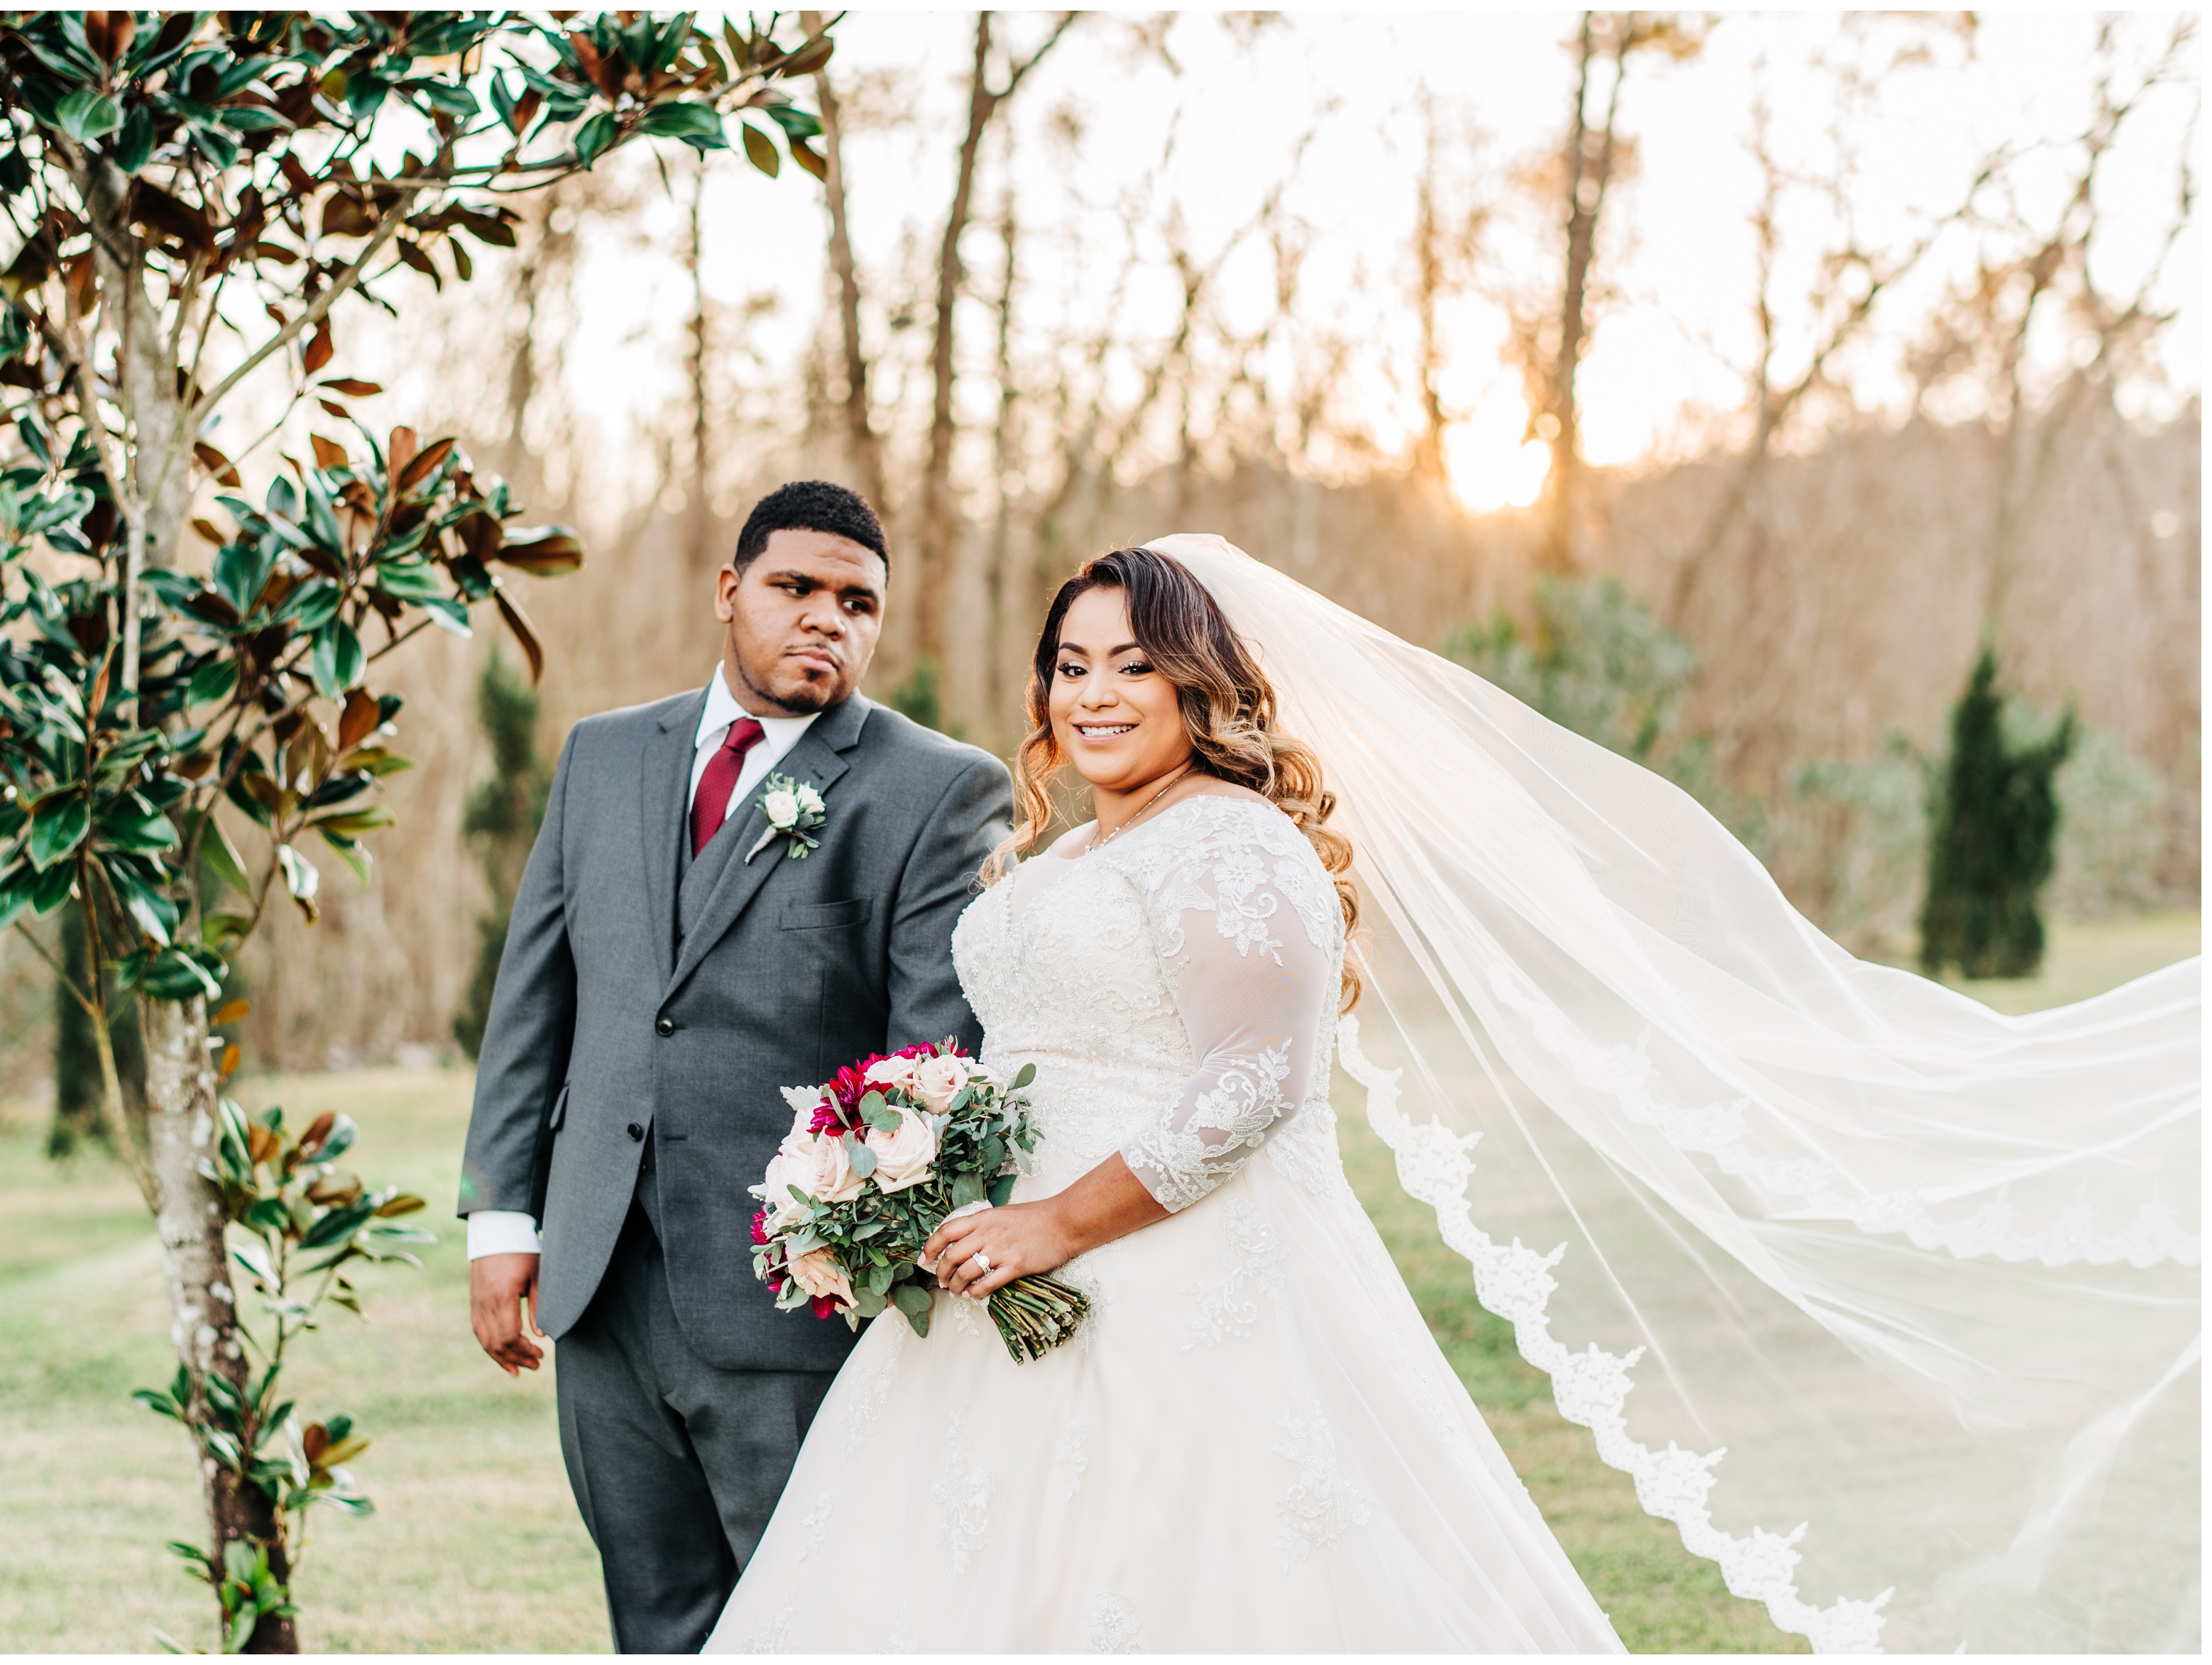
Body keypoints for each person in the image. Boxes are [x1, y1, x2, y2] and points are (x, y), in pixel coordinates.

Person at [709, 537, 2199, 1653]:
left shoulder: (1235, 844)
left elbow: (1253, 1082)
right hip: (1004, 1291)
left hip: (1171, 1283)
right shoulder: (1074, 854)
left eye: (1134, 665)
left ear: (1203, 685)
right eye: (1072, 663)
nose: (1093, 694)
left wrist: (1056, 1225)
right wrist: (913, 1158)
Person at [459, 480, 1013, 1654]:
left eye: (857, 602)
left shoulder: (936, 789)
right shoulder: (601, 756)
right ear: (729, 591)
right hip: (601, 1281)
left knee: (812, 1621)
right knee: (653, 1620)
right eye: (796, 587)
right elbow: (535, 1001)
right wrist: (501, 1216)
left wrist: (860, 1251)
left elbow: (935, 1061)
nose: (827, 619)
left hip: (792, 1306)